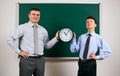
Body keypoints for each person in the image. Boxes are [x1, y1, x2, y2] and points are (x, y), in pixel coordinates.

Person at [7, 8, 59, 76]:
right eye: (33, 14)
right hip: (27, 59)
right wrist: (19, 51)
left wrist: (56, 38)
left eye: (38, 15)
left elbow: (47, 45)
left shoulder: (43, 30)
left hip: (40, 60)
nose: (35, 16)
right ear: (29, 15)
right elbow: (9, 39)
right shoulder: (22, 27)